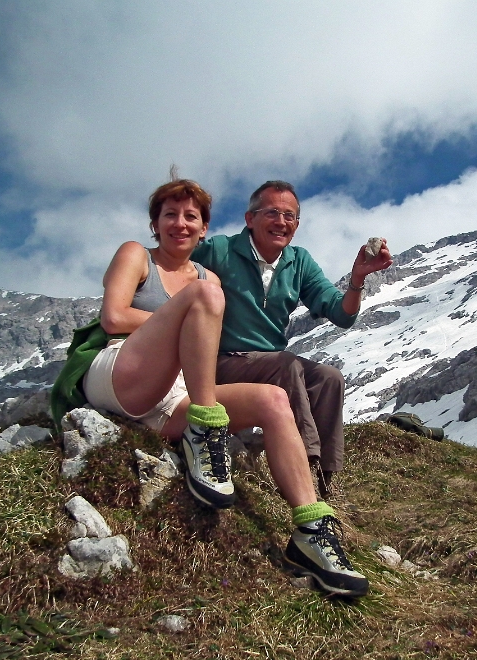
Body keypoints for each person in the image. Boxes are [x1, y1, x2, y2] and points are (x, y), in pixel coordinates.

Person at [51, 177, 368, 597]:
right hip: (121, 368)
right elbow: (113, 317)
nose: (180, 224)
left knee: (274, 400)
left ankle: (312, 531)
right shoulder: (138, 255)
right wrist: (178, 326)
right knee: (207, 299)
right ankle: (206, 431)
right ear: (154, 223)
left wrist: (359, 277)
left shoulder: (208, 275)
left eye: (191, 217)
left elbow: (335, 309)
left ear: (204, 229)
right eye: (170, 215)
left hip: (175, 392)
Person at [191, 181, 392, 498]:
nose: (281, 222)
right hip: (222, 362)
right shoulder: (220, 250)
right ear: (250, 218)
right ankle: (304, 465)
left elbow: (342, 314)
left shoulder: (298, 262)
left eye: (290, 216)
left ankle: (328, 481)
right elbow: (174, 265)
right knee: (285, 366)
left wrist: (357, 280)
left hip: (268, 363)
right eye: (272, 212)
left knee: (329, 378)